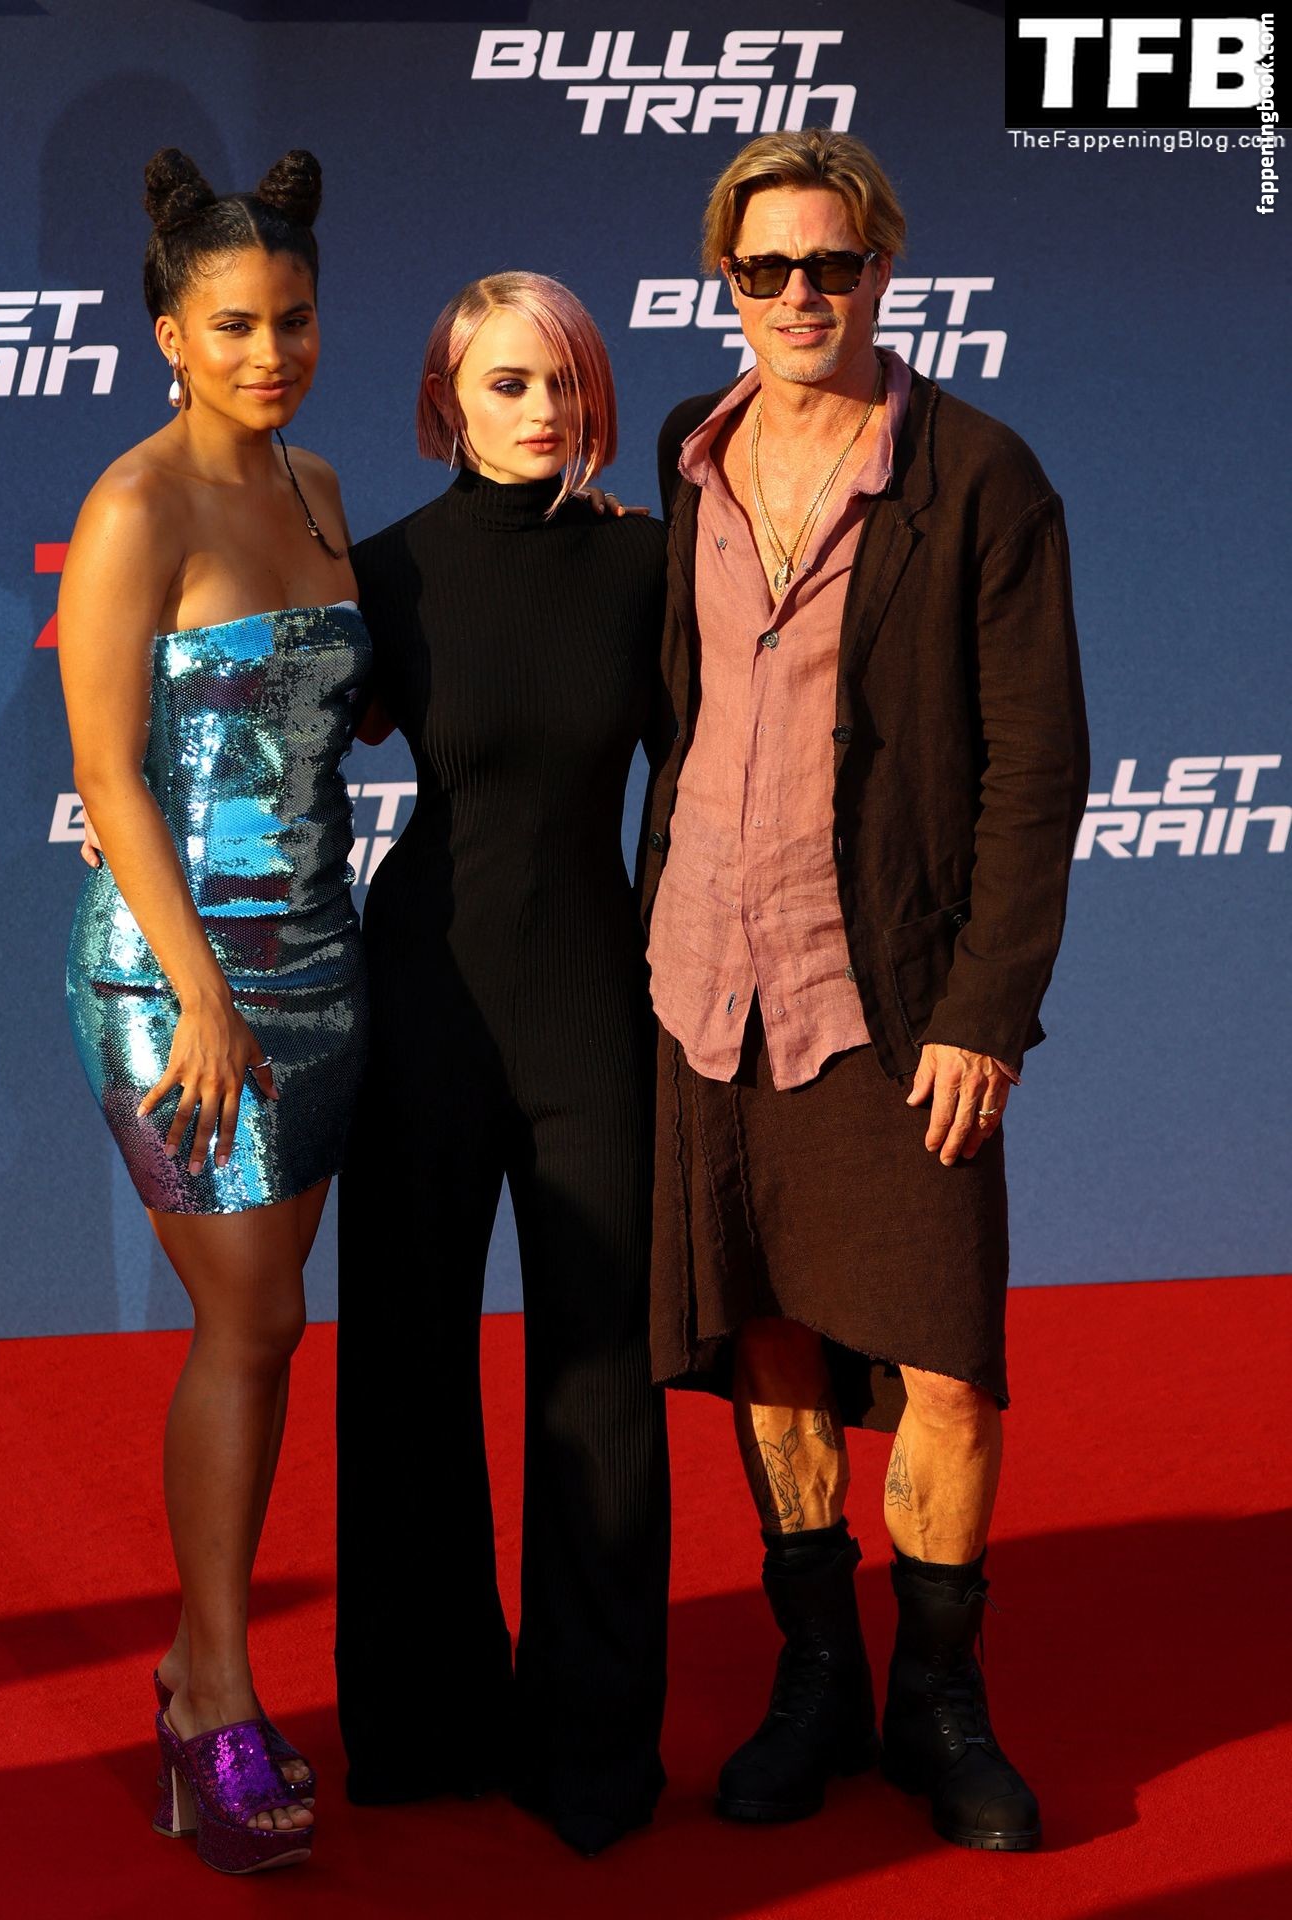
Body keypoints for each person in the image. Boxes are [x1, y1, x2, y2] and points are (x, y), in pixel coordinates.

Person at [638, 130, 1089, 1852]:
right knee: (768, 1334)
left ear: (883, 270)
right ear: (727, 282)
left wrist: (985, 1009)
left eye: (832, 265)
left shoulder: (978, 477)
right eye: (767, 269)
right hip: (705, 987)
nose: (801, 296)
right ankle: (818, 1673)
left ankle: (939, 1700)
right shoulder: (686, 454)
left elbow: (1037, 767)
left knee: (946, 1363)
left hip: (889, 1003)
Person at [333, 273, 671, 1858]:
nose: (542, 410)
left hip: (600, 1006)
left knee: (603, 1377)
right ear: (445, 403)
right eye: (507, 385)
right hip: (425, 1001)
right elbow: (274, 742)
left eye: (563, 382)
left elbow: (709, 784)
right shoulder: (387, 570)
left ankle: (591, 1746)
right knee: (407, 1366)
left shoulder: (647, 564)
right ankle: (420, 1726)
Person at [60, 146, 365, 1875]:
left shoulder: (319, 486)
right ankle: (216, 1700)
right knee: (251, 1319)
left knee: (269, 1331)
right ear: (170, 334)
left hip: (324, 959)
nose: (271, 352)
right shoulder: (137, 508)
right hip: (172, 979)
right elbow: (109, 773)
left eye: (294, 319)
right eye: (234, 325)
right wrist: (199, 995)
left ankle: (198, 1661)